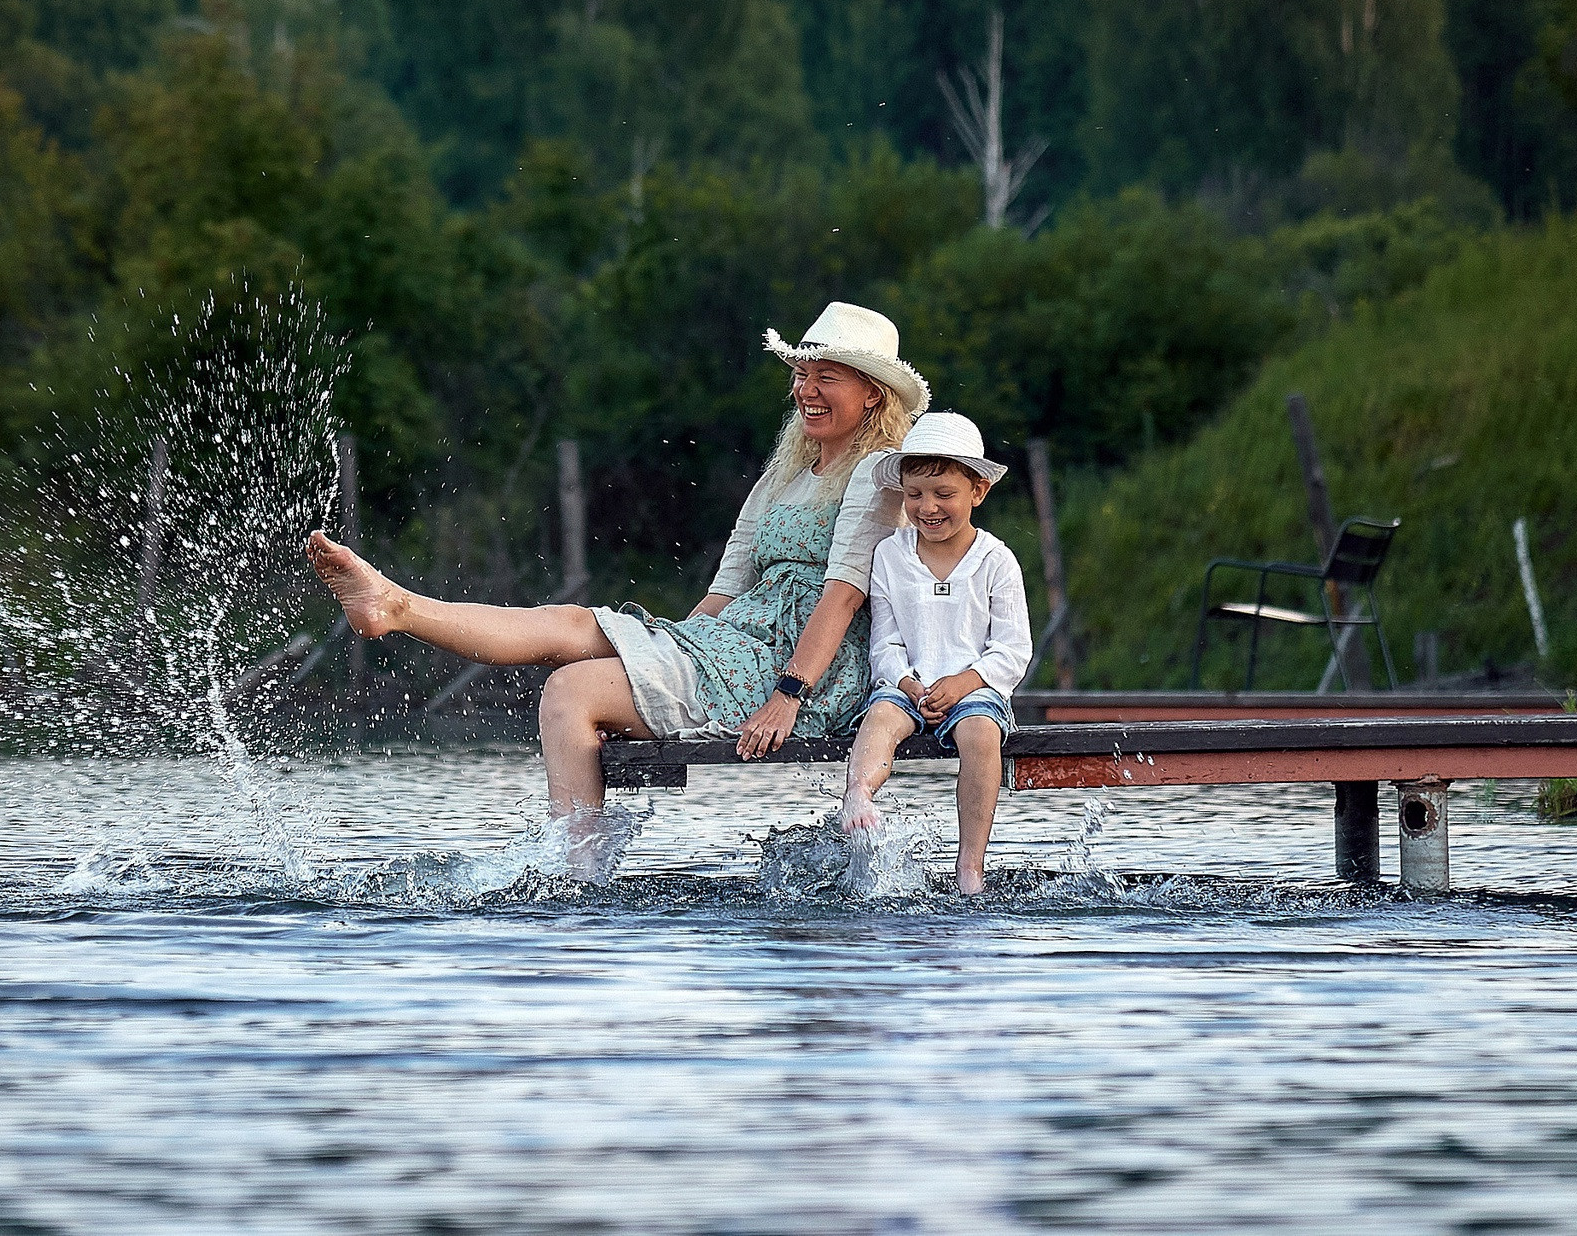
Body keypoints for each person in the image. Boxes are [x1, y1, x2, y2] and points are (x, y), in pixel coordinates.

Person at [305, 302, 924, 872]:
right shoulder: (788, 469)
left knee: (571, 689)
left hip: (808, 670)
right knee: (573, 624)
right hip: (738, 646)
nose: (805, 390)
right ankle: (397, 606)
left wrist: (788, 693)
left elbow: (845, 593)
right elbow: (729, 584)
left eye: (826, 378)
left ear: (872, 394)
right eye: (800, 374)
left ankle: (577, 882)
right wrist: (667, 648)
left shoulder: (877, 474)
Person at [836, 412, 1032, 896]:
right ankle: (859, 793)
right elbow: (884, 639)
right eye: (915, 494)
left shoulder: (995, 560)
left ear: (978, 491)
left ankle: (970, 865)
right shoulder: (890, 554)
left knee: (982, 734)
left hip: (974, 689)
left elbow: (1012, 647)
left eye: (944, 494)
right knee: (880, 718)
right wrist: (905, 682)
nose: (928, 508)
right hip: (908, 683)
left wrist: (965, 682)